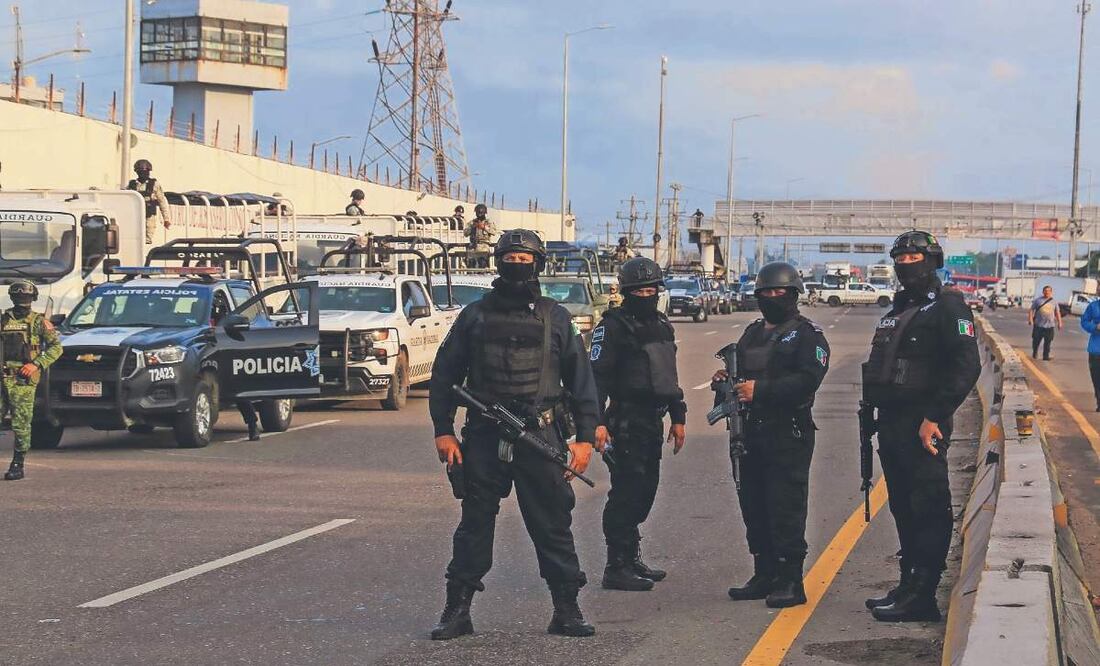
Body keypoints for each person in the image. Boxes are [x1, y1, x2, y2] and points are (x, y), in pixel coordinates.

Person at [428, 229, 601, 640]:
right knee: (474, 525)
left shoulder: (556, 317)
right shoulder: (474, 316)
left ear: (538, 264)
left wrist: (584, 438)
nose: (518, 265)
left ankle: (566, 609)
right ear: (498, 262)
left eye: (526, 259)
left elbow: (582, 380)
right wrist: (443, 431)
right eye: (511, 258)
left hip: (540, 437)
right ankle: (457, 611)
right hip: (484, 437)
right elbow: (444, 375)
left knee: (552, 525)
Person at [861, 231, 980, 622]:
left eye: (915, 257)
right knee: (903, 506)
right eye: (900, 258)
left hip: (925, 424)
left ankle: (923, 595)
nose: (906, 264)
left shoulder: (949, 307)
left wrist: (934, 416)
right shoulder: (900, 309)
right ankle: (908, 583)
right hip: (893, 423)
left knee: (928, 507)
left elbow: (967, 366)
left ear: (933, 261)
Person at [713, 262, 830, 608]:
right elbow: (740, 373)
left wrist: (761, 390)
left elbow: (808, 380)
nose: (772, 297)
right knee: (753, 504)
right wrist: (725, 382)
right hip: (748, 432)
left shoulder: (808, 335)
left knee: (785, 506)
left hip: (787, 432)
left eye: (779, 292)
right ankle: (763, 573)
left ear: (794, 294)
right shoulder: (752, 333)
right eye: (766, 292)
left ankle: (790, 580)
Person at [591, 257, 687, 591]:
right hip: (624, 421)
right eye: (638, 291)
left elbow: (667, 375)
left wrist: (678, 417)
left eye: (650, 290)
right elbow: (597, 379)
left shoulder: (662, 324)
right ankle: (616, 565)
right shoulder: (612, 326)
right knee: (626, 494)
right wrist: (596, 423)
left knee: (645, 492)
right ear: (626, 292)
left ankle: (632, 558)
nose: (645, 295)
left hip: (652, 421)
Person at [1, 281, 62, 480]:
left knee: (21, 423)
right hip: (2, 377)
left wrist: (36, 364)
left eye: (25, 297)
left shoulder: (38, 322)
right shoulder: (3, 319)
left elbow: (56, 348)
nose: (22, 300)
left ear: (32, 298)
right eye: (18, 296)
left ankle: (17, 464)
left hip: (22, 379)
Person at [126, 159, 171, 244]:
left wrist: (166, 219)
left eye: (145, 171)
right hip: (135, 216)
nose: (143, 174)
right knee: (135, 238)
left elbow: (162, 201)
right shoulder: (132, 185)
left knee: (147, 240)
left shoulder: (154, 184)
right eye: (140, 172)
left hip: (149, 215)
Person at [1028, 285, 1063, 360]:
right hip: (1038, 325)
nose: (1047, 292)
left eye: (1049, 291)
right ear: (1043, 292)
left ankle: (1045, 356)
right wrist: (1030, 319)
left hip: (1050, 326)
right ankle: (1035, 352)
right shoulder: (1038, 300)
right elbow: (1031, 310)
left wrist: (1060, 322)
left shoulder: (1054, 302)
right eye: (1045, 291)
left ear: (1051, 292)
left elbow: (1057, 312)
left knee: (1048, 342)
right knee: (1036, 341)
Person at [1081, 296, 1100, 411]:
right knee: (1097, 379)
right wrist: (1095, 327)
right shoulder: (1093, 306)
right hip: (1096, 350)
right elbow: (1084, 321)